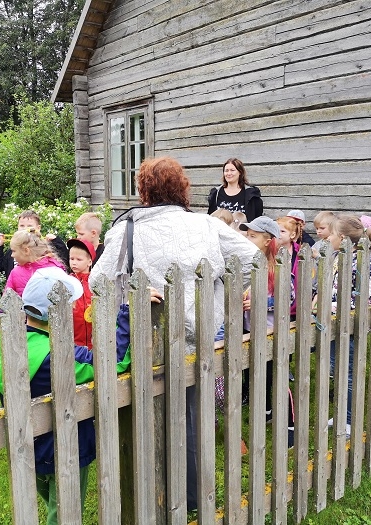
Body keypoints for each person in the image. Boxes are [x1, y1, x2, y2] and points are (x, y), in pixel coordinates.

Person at [91, 156, 259, 511]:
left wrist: (129, 297)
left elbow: (97, 282)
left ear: (144, 190)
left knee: (146, 419)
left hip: (146, 343)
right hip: (197, 342)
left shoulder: (126, 231)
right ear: (182, 189)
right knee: (193, 421)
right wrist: (218, 304)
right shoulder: (204, 226)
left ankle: (151, 497)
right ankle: (194, 499)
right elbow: (251, 259)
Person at [0, 267, 135, 525]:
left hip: (27, 446)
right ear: (55, 310)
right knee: (64, 513)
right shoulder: (59, 356)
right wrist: (128, 314)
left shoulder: (5, 343)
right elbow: (113, 362)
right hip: (65, 447)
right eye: (70, 304)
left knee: (53, 506)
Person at [239, 217, 295, 445]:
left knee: (277, 377)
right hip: (249, 330)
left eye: (253, 236)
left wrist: (265, 302)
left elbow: (290, 297)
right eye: (247, 234)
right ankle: (266, 413)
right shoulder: (246, 265)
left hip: (272, 332)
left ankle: (289, 426)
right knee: (257, 377)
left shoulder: (278, 267)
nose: (247, 238)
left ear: (267, 241)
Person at [320, 214, 371, 437]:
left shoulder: (363, 260)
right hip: (335, 322)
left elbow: (363, 294)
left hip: (351, 323)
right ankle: (342, 412)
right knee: (337, 369)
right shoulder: (338, 256)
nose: (327, 238)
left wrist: (333, 307)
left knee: (349, 372)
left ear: (341, 238)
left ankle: (351, 419)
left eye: (330, 234)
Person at [0, 210, 69, 277]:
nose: (25, 229)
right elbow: (0, 267)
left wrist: (57, 241)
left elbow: (64, 261)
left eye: (29, 226)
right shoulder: (14, 250)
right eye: (22, 226)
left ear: (38, 228)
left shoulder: (43, 248)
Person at [4, 229, 65, 297]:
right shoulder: (55, 268)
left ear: (26, 251)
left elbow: (6, 304)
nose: (12, 255)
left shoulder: (55, 269)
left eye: (13, 251)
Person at [207, 158, 263, 222]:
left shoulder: (251, 195)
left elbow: (257, 218)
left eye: (232, 170)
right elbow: (210, 217)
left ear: (240, 172)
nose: (229, 173)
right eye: (226, 170)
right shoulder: (216, 193)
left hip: (241, 231)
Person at [67, 238, 97, 349]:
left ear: (89, 262)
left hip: (94, 342)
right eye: (71, 258)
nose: (74, 262)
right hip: (73, 341)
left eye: (79, 259)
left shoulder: (95, 282)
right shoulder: (67, 282)